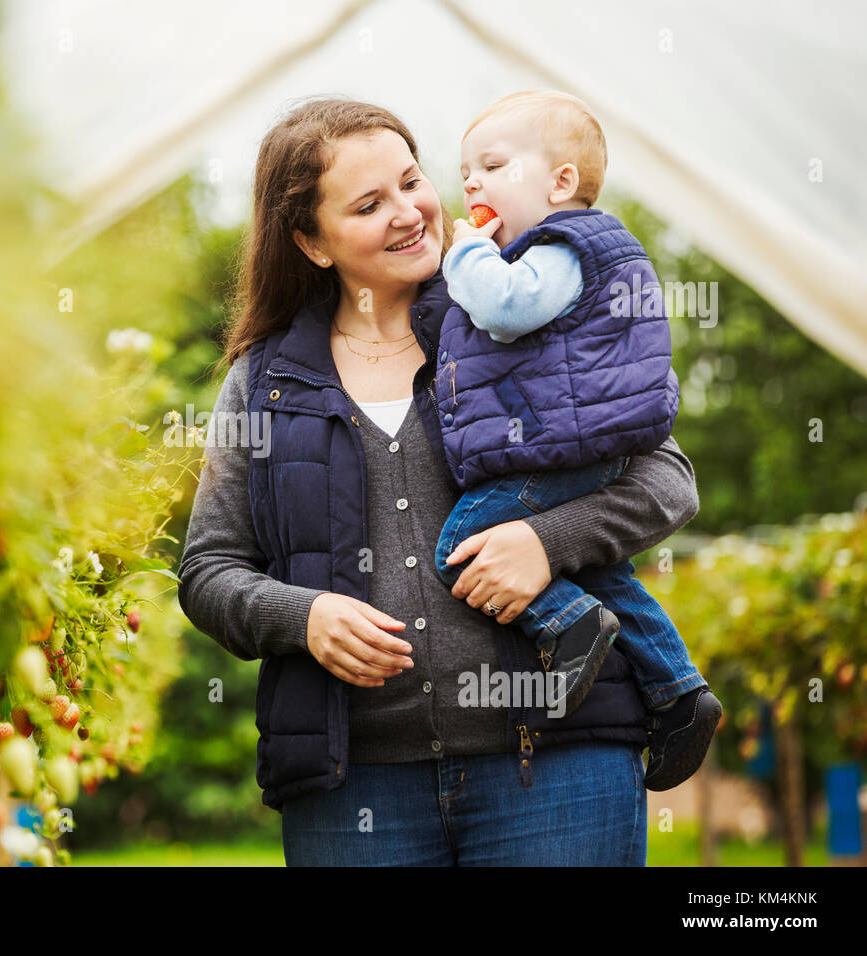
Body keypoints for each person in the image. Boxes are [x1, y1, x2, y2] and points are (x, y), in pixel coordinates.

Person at [177, 97, 701, 866]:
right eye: (368, 204)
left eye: (411, 181)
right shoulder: (264, 385)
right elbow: (208, 572)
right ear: (312, 243)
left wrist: (544, 542)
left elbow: (667, 475)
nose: (409, 212)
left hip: (556, 765)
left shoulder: (516, 313)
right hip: (354, 786)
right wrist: (304, 615)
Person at [430, 90, 721, 791]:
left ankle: (568, 625)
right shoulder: (574, 250)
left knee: (457, 547)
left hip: (564, 450)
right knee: (604, 572)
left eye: (493, 165)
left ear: (561, 183)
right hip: (585, 448)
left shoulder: (562, 245)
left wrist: (465, 251)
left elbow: (506, 309)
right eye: (465, 170)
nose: (471, 182)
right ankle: (680, 694)